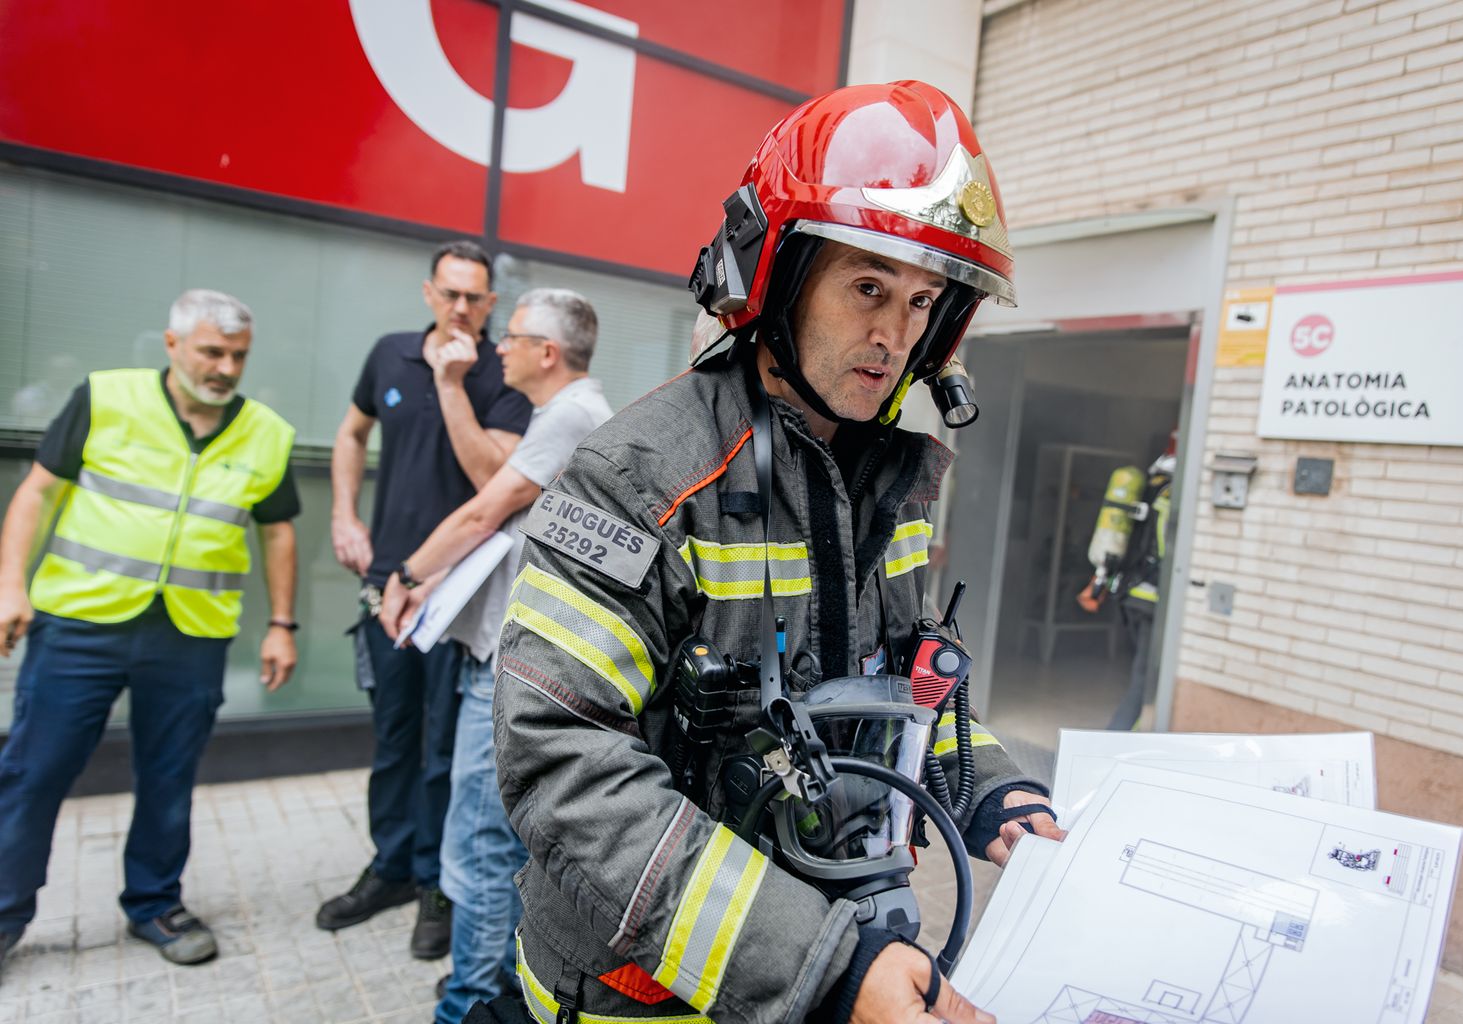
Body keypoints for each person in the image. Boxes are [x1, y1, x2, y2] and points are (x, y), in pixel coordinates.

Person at [485, 81, 1062, 1024]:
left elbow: (912, 690)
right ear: (779, 278)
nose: (895, 334)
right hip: (650, 995)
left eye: (923, 302)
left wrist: (994, 790)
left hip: (844, 952)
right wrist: (823, 966)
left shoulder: (895, 482)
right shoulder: (638, 477)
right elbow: (560, 760)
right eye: (868, 287)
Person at [0, 289, 299, 970]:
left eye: (238, 356)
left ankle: (154, 904)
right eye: (211, 351)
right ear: (172, 345)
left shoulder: (268, 432)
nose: (225, 367)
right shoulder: (105, 398)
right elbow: (38, 491)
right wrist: (9, 585)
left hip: (190, 636)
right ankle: (4, 912)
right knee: (35, 769)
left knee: (168, 775)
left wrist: (282, 624)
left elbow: (278, 532)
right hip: (80, 623)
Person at [374, 288, 612, 1024]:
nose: (496, 347)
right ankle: (497, 987)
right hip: (507, 654)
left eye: (510, 337)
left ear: (547, 353)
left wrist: (408, 574)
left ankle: (470, 1003)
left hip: (512, 667)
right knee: (486, 838)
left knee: (478, 841)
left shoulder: (573, 413)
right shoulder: (566, 416)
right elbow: (511, 525)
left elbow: (486, 506)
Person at [320, 241, 533, 960]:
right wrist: (343, 513)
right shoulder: (388, 354)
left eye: (474, 298)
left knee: (447, 751)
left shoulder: (504, 376)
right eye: (450, 294)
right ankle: (390, 867)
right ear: (428, 293)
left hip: (458, 596)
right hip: (389, 583)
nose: (461, 309)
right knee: (393, 737)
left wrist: (453, 382)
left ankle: (439, 886)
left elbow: (493, 478)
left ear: (490, 305)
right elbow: (351, 434)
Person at [1079, 444, 1176, 731]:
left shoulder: (1147, 489)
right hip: (1151, 598)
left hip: (1132, 595)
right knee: (1144, 681)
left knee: (1142, 673)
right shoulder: (1168, 497)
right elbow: (1165, 551)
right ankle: (1116, 741)